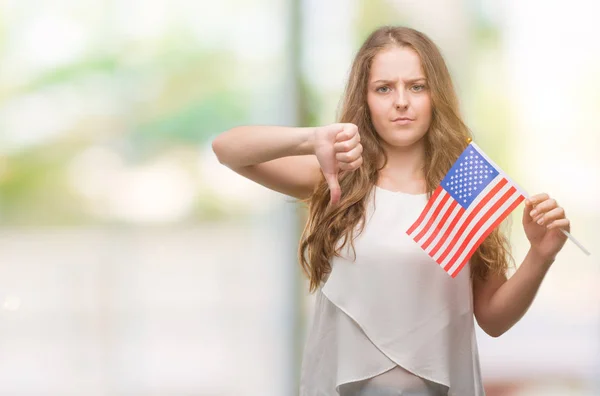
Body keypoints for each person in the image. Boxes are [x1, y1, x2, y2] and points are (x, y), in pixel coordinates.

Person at [211, 26, 570, 396]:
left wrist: (541, 256)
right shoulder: (339, 176)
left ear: (436, 95)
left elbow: (493, 319)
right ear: (364, 99)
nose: (401, 101)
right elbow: (227, 149)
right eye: (384, 88)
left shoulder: (466, 186)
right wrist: (311, 138)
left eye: (417, 86)